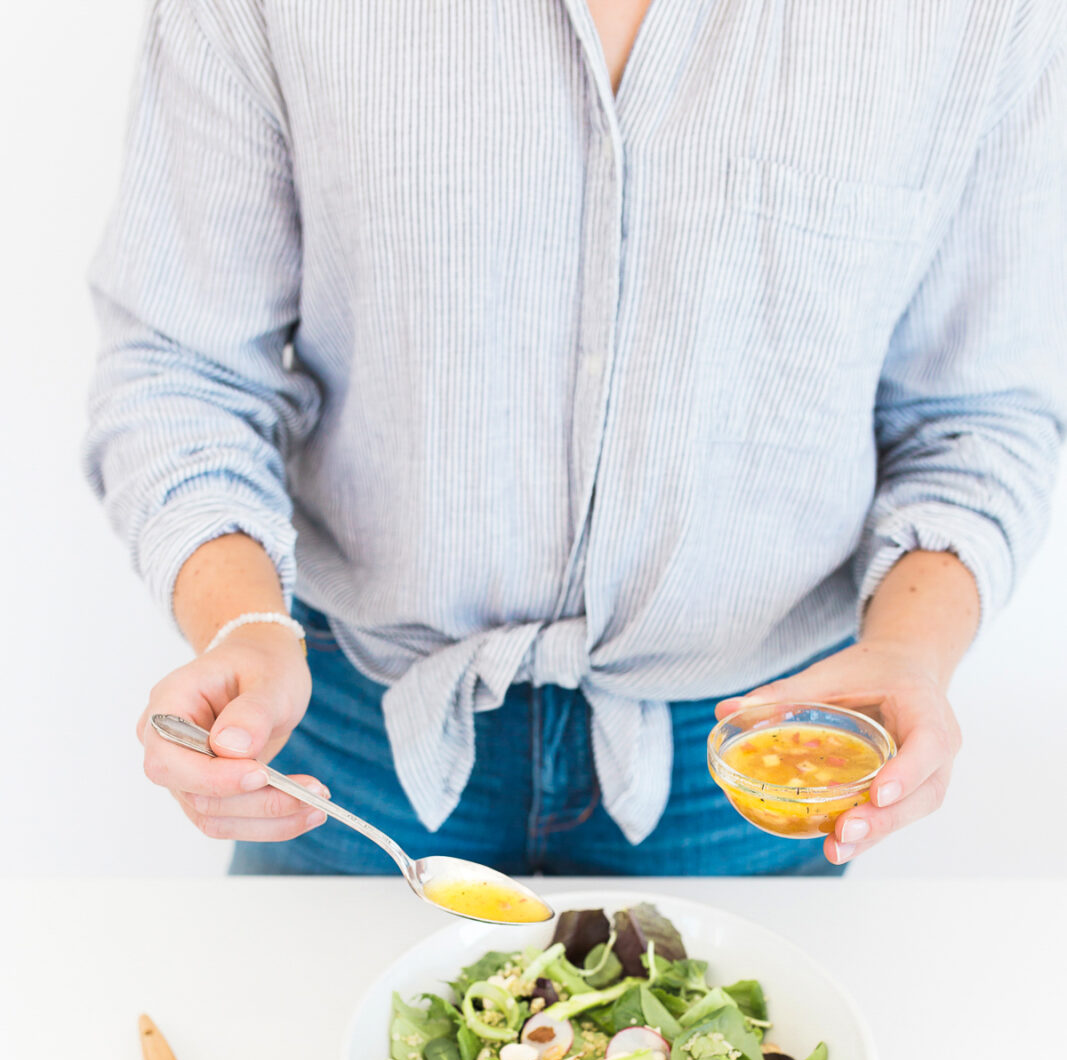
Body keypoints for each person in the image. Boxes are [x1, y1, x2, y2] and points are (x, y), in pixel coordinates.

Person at [86, 1, 1066, 877]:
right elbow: (186, 368)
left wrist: (907, 650)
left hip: (756, 753)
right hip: (345, 731)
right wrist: (241, 626)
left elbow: (976, 412)